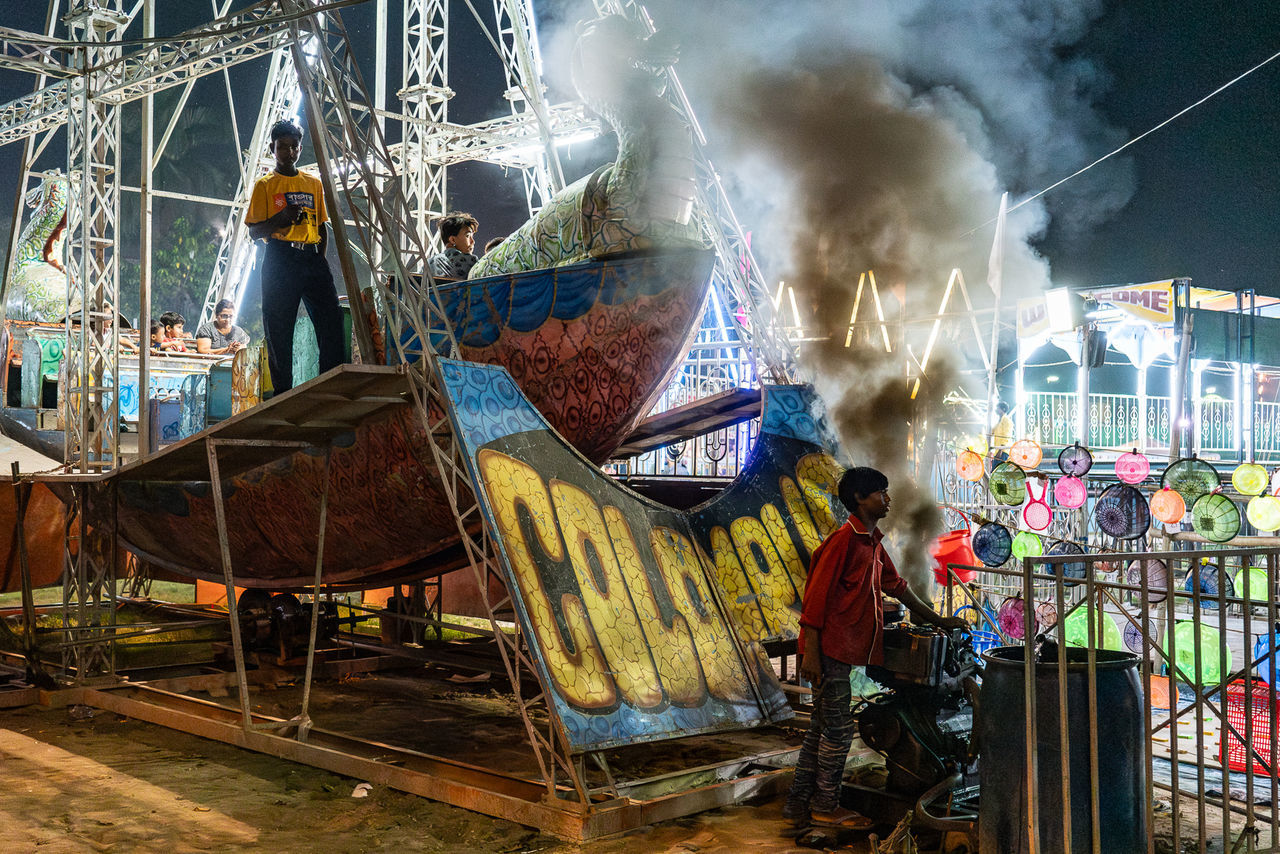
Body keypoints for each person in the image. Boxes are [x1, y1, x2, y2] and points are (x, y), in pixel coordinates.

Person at [783, 466, 966, 829]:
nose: (888, 498)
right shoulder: (843, 542)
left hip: (839, 653)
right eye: (880, 492)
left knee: (822, 729)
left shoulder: (872, 544)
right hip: (829, 653)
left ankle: (797, 805)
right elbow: (814, 604)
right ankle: (824, 807)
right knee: (835, 733)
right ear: (859, 499)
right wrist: (813, 656)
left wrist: (940, 620)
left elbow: (897, 587)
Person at [246, 119, 345, 395]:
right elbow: (254, 232)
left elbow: (322, 226)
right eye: (283, 147)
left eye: (294, 147)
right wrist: (281, 219)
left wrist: (319, 260)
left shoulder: (312, 183)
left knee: (331, 320)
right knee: (279, 327)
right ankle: (283, 393)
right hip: (280, 258)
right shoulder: (265, 185)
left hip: (311, 258)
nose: (289, 152)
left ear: (300, 149)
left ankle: (330, 385)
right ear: (272, 148)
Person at [427, 211, 479, 279]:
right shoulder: (472, 262)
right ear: (452, 240)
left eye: (472, 236)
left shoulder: (428, 264)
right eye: (467, 236)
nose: (473, 241)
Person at [990, 401, 1013, 468]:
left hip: (1002, 451)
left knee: (998, 473)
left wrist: (1000, 450)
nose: (996, 410)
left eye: (998, 408)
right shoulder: (999, 421)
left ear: (1003, 409)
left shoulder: (1006, 420)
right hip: (998, 451)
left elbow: (1006, 436)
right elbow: (992, 432)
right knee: (995, 472)